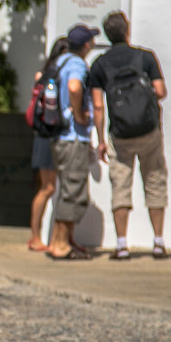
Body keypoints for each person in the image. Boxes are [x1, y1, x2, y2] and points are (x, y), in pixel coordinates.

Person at [88, 11, 170, 260]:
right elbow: (161, 91)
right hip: (149, 130)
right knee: (154, 180)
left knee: (120, 185)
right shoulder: (145, 57)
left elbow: (98, 107)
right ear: (128, 30)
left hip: (120, 134)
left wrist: (101, 140)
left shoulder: (100, 64)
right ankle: (158, 242)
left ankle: (122, 245)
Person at [46, 24, 103, 261]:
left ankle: (64, 240)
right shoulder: (77, 64)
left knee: (69, 189)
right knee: (73, 191)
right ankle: (59, 244)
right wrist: (80, 116)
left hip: (60, 136)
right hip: (72, 137)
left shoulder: (59, 62)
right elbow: (74, 87)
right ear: (87, 45)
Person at [26, 37, 68, 253]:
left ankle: (40, 236)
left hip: (42, 135)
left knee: (48, 187)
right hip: (49, 135)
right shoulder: (56, 76)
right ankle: (35, 236)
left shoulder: (41, 75)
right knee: (48, 187)